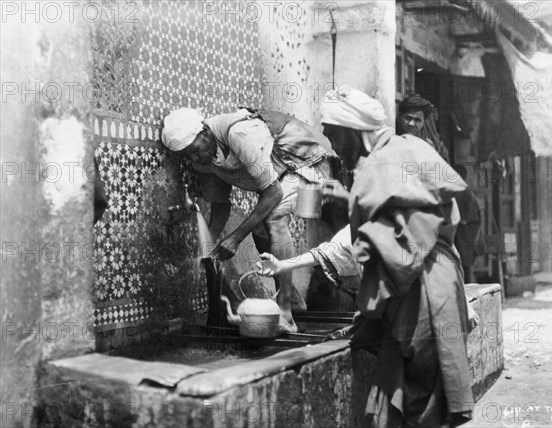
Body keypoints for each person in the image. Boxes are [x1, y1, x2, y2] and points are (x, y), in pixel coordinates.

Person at [320, 86, 475, 427]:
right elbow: (415, 214)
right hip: (442, 279)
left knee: (419, 402)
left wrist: (370, 307)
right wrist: (352, 200)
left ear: (355, 130)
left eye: (332, 133)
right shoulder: (412, 147)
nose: (331, 145)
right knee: (409, 393)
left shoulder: (380, 163)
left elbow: (401, 249)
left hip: (422, 288)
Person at [161, 107, 340, 333]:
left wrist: (235, 238)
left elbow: (273, 193)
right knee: (262, 229)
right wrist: (208, 248)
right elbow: (220, 204)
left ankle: (285, 313)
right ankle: (293, 299)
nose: (196, 158)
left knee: (273, 220)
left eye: (196, 150)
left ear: (205, 132)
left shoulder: (239, 133)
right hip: (287, 177)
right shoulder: (203, 160)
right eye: (189, 155)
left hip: (317, 168)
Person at [453, 164, 484, 284]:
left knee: (466, 264)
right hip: (462, 230)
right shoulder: (459, 190)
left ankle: (467, 292)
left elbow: (466, 218)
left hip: (466, 231)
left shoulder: (464, 191)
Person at [397, 94, 450, 161]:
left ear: (423, 122)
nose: (411, 124)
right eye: (408, 118)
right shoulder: (389, 140)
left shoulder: (428, 146)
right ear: (399, 117)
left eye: (417, 120)